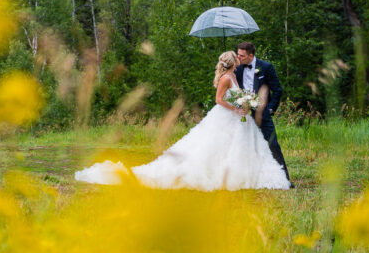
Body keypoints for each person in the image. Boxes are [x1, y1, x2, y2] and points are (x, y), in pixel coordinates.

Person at [74, 51, 291, 191]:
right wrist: (236, 107)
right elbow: (218, 99)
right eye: (237, 56)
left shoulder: (235, 75)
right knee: (214, 147)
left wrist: (244, 103)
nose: (239, 58)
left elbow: (238, 92)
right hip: (226, 116)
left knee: (238, 146)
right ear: (233, 62)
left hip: (239, 117)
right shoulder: (226, 78)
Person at [234, 42, 293, 188]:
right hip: (243, 114)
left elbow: (277, 90)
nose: (238, 57)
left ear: (251, 55)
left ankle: (284, 179)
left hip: (263, 113)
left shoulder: (266, 67)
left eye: (241, 55)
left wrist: (271, 109)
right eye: (238, 54)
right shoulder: (237, 69)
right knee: (243, 145)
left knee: (272, 144)